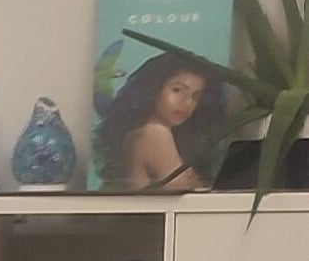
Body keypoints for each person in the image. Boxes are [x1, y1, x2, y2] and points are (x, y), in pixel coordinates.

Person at [98, 53, 229, 193]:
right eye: (177, 90)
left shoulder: (137, 134)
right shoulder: (155, 133)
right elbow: (187, 200)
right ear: (153, 89)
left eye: (196, 96)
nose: (187, 102)